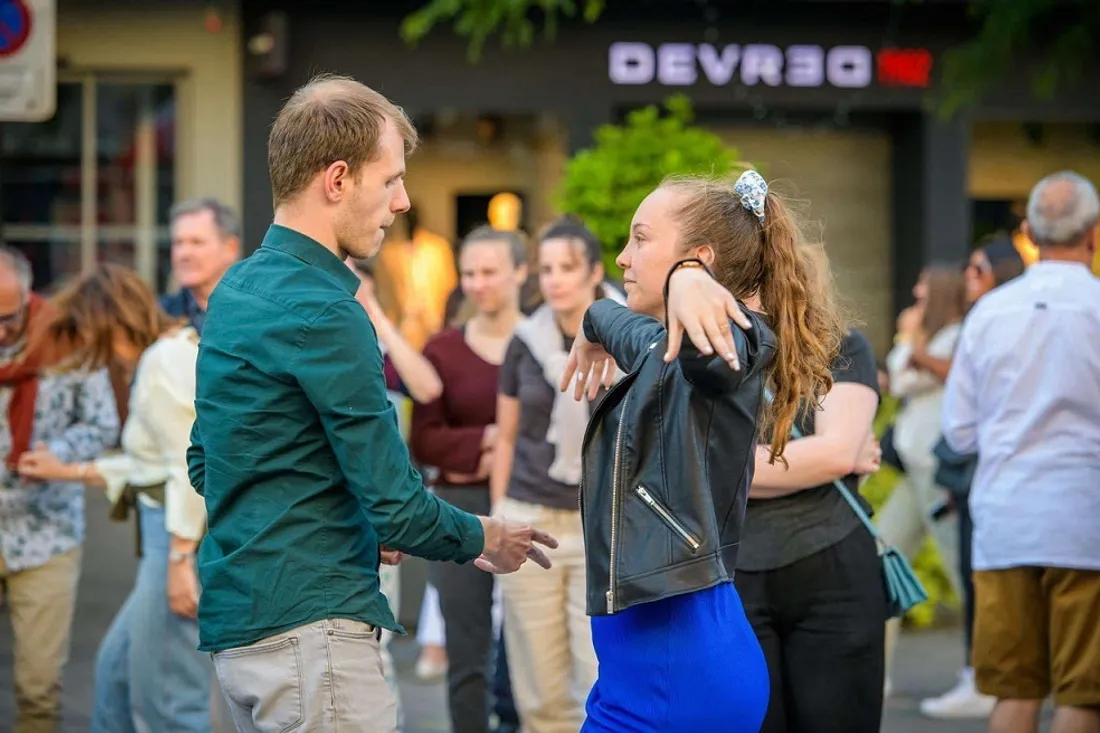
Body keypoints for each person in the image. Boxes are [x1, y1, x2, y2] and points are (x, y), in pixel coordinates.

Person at [188, 74, 556, 733]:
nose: (402, 201)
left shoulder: (237, 289)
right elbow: (397, 504)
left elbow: (208, 464)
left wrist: (361, 522)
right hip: (311, 636)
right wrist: (486, 535)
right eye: (390, 181)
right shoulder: (329, 310)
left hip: (241, 629)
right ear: (337, 180)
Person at [563, 170, 844, 732]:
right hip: (644, 675)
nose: (622, 256)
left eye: (641, 239)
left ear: (701, 261)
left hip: (678, 678)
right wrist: (593, 324)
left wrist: (690, 275)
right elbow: (612, 317)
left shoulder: (732, 341)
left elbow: (709, 354)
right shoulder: (657, 346)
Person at [16, 265, 213, 733]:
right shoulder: (162, 357)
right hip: (168, 531)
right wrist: (69, 470)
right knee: (117, 674)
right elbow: (155, 464)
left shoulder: (163, 362)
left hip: (176, 536)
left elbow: (189, 468)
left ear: (109, 325)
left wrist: (181, 560)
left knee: (167, 696)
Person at [943, 171, 1100, 733]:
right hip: (1087, 522)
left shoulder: (989, 314)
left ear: (1029, 230)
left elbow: (958, 433)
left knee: (1013, 693)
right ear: (1094, 234)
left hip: (1005, 520)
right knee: (1084, 696)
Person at [733, 241, 884, 733]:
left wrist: (734, 471)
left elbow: (838, 453)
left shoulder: (839, 344)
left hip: (835, 574)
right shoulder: (710, 353)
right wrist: (819, 460)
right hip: (734, 580)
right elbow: (695, 472)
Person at [492, 218, 619, 733]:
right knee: (540, 693)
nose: (555, 280)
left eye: (567, 267)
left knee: (598, 679)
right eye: (546, 269)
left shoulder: (632, 335)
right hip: (532, 522)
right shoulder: (523, 341)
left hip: (601, 525)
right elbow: (505, 436)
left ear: (594, 272)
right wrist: (499, 518)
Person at [410, 226, 529, 733]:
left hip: (533, 504)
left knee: (536, 651)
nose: (477, 284)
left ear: (520, 272)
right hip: (458, 508)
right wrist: (494, 438)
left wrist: (494, 448)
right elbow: (425, 441)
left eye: (489, 272)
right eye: (469, 274)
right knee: (467, 653)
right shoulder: (442, 350)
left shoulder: (550, 345)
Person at [0, 246, 120, 733]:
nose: (0, 332)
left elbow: (103, 423)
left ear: (28, 298)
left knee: (38, 688)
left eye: (8, 318)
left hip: (45, 531)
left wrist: (57, 453)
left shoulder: (68, 339)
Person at [916, 234, 1024, 720]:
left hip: (987, 466)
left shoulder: (988, 322)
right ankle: (982, 674)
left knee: (983, 578)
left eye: (978, 270)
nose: (969, 279)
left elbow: (961, 421)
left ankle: (983, 675)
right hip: (999, 471)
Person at [878, 265, 969, 703]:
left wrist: (911, 340)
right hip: (914, 473)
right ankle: (875, 675)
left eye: (923, 288)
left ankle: (990, 677)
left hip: (939, 476)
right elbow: (900, 376)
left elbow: (903, 378)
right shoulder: (927, 337)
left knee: (963, 573)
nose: (914, 292)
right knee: (880, 559)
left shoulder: (957, 336)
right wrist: (908, 340)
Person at [159, 197, 241, 335]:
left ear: (230, 248)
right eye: (178, 243)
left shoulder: (257, 314)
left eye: (197, 242)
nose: (184, 254)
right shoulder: (159, 317)